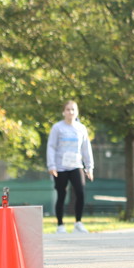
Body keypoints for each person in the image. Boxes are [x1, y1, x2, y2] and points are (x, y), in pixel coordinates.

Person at [47, 100, 94, 234]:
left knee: (80, 192)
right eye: (68, 109)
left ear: (77, 112)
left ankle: (78, 223)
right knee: (61, 194)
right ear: (63, 112)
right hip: (60, 167)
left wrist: (89, 167)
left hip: (76, 165)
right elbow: (51, 147)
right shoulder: (57, 128)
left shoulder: (81, 128)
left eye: (73, 109)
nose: (70, 112)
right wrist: (52, 165)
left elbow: (86, 148)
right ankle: (60, 225)